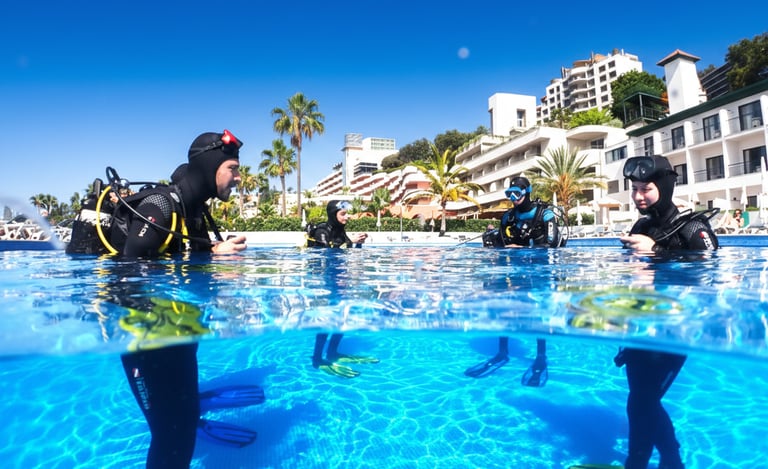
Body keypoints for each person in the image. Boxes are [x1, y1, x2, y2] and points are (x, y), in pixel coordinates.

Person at [68, 130, 256, 468]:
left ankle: (188, 415)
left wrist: (214, 252)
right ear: (209, 166)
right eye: (232, 168)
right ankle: (183, 421)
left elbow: (181, 255)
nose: (239, 178)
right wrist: (212, 260)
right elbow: (129, 270)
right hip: (143, 339)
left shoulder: (194, 210)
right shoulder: (161, 206)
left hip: (176, 332)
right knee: (172, 436)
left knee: (183, 415)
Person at [618, 155, 718, 469]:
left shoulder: (693, 227)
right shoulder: (641, 225)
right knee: (639, 402)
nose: (637, 196)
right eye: (633, 189)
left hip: (676, 329)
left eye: (645, 188)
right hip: (642, 327)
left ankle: (646, 462)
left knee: (642, 402)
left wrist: (656, 253)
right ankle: (667, 460)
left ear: (663, 186)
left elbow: (713, 272)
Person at [470, 176, 564, 385]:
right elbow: (502, 245)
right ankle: (502, 352)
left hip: (541, 270)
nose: (513, 199)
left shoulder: (545, 215)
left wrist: (522, 250)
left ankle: (541, 357)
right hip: (513, 270)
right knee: (505, 308)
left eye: (517, 194)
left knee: (540, 312)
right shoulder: (507, 217)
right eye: (509, 194)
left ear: (527, 192)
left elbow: (551, 244)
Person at [306, 200, 377, 378]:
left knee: (343, 318)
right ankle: (317, 359)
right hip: (323, 283)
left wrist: (358, 243)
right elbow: (326, 253)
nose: (347, 217)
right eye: (343, 214)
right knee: (327, 320)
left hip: (339, 281)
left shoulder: (340, 232)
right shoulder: (322, 230)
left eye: (347, 214)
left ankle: (332, 353)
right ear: (333, 214)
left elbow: (348, 252)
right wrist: (350, 242)